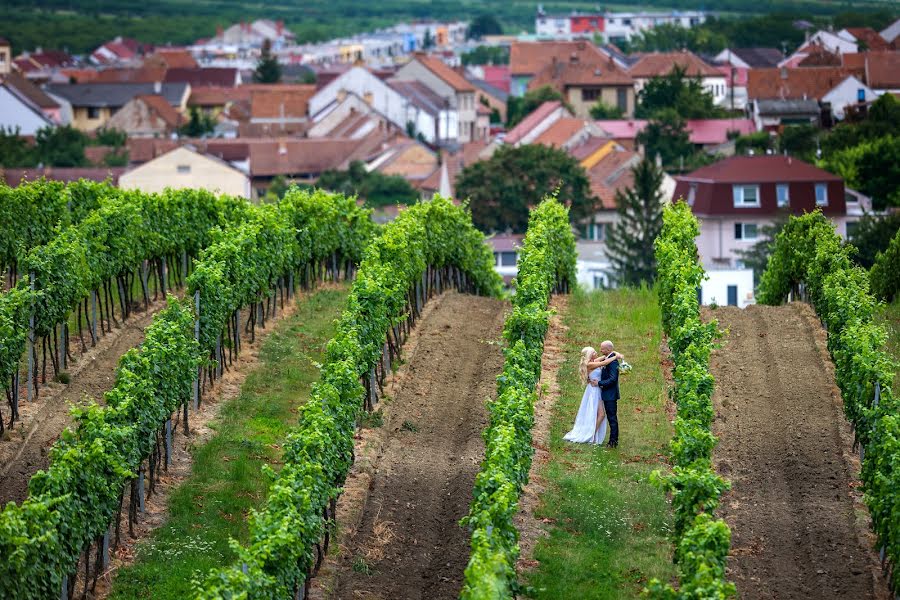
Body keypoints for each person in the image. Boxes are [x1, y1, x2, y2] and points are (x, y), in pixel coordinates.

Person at [563, 346, 624, 445]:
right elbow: (604, 362)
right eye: (594, 351)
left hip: (597, 389)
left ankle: (592, 434)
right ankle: (591, 435)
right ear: (590, 355)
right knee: (601, 414)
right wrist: (615, 357)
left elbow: (605, 357)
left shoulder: (594, 360)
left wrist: (616, 353)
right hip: (594, 391)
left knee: (597, 414)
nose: (597, 352)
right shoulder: (590, 364)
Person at [592, 340, 621, 448]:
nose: (600, 350)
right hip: (606, 393)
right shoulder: (609, 358)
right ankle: (612, 440)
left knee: (612, 418)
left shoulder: (613, 362)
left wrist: (599, 383)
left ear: (608, 350)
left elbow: (613, 379)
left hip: (610, 394)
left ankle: (613, 441)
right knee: (610, 417)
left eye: (602, 349)